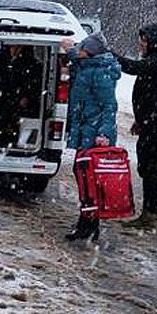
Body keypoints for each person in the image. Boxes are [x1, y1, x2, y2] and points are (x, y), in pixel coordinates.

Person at [117, 24, 157, 229]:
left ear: (156, 41)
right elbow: (149, 95)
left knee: (151, 167)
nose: (141, 44)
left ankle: (150, 215)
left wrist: (110, 55)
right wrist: (141, 120)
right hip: (155, 122)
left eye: (145, 40)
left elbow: (134, 68)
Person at [61, 34, 121, 242]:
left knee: (88, 179)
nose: (79, 52)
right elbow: (77, 60)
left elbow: (110, 107)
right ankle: (88, 222)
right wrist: (70, 50)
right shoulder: (90, 67)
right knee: (83, 176)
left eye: (82, 49)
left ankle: (88, 223)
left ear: (91, 52)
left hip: (95, 134)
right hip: (88, 130)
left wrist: (104, 134)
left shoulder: (100, 72)